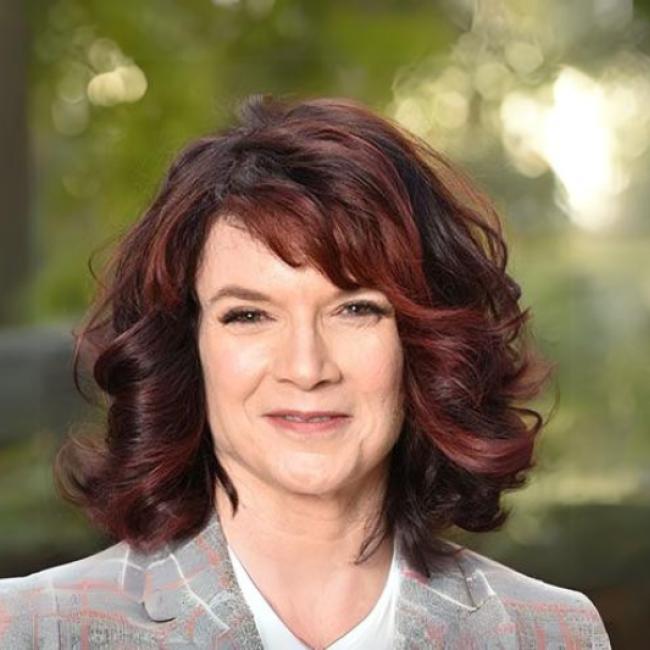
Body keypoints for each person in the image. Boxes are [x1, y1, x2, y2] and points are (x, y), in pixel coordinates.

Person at [0, 95, 611, 649]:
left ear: (426, 343)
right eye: (248, 315)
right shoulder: (33, 629)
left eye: (354, 309)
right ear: (187, 348)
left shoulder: (551, 634)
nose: (306, 367)